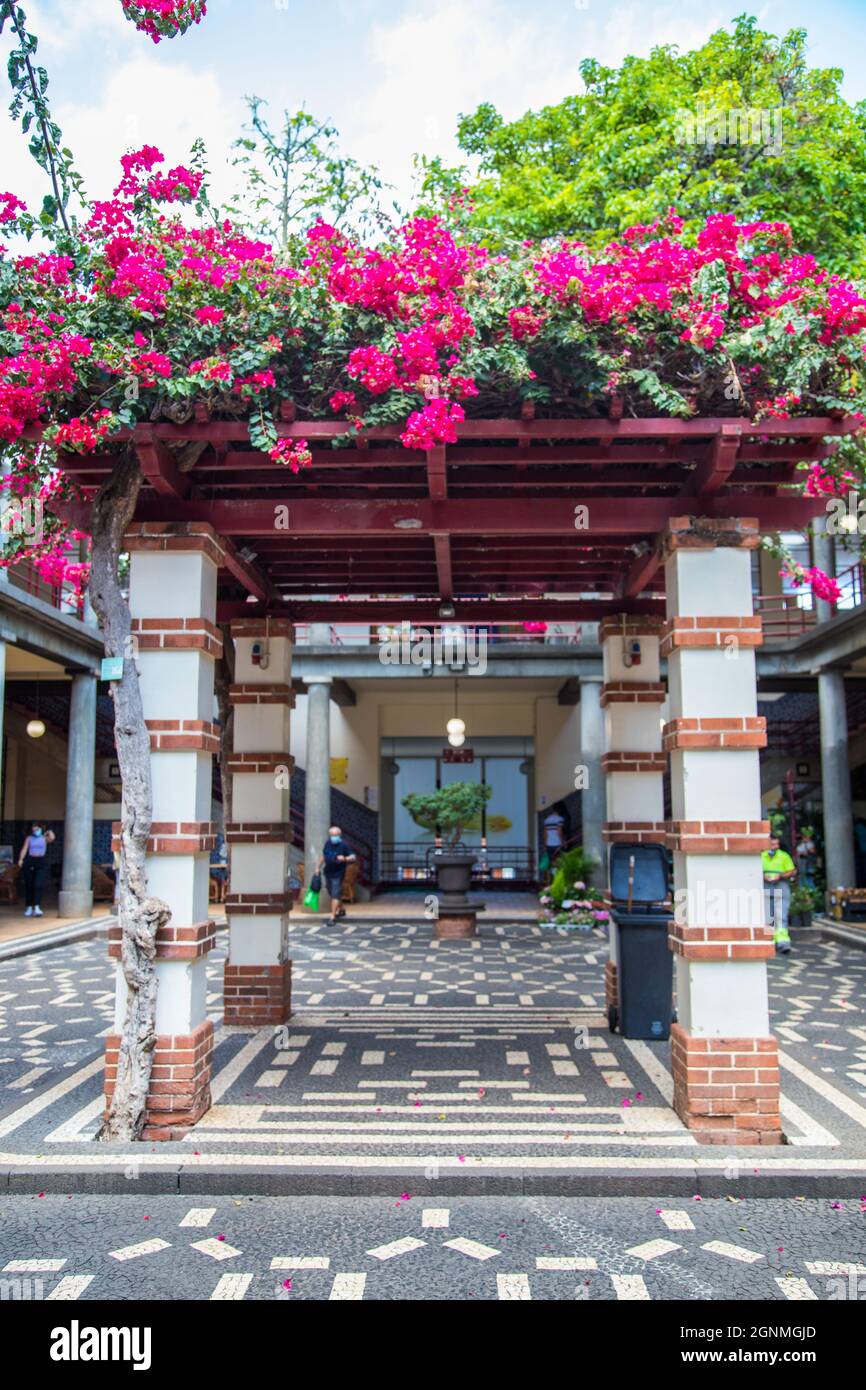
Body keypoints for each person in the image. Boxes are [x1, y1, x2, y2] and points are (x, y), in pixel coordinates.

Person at [762, 835, 797, 954]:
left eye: (777, 844)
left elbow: (792, 871)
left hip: (780, 886)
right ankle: (769, 942)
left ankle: (782, 942)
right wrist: (763, 876)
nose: (775, 847)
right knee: (768, 916)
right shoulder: (761, 856)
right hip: (765, 886)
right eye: (772, 844)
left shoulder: (783, 856)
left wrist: (780, 876)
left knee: (781, 915)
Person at [317, 826, 356, 926]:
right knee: (332, 892)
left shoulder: (344, 845)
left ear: (339, 835)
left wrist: (345, 858)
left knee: (335, 894)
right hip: (328, 872)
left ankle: (332, 917)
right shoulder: (328, 843)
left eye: (336, 835)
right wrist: (317, 867)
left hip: (338, 873)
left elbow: (353, 857)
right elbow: (324, 856)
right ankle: (342, 909)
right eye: (332, 835)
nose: (334, 837)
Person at [18, 822, 55, 917]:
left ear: (40, 829)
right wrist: (21, 859)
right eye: (33, 830)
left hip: (40, 861)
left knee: (38, 884)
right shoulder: (29, 838)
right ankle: (29, 906)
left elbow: (52, 838)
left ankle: (37, 906)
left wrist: (48, 831)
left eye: (37, 829)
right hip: (30, 861)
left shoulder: (44, 838)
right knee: (29, 885)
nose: (35, 831)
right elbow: (24, 849)